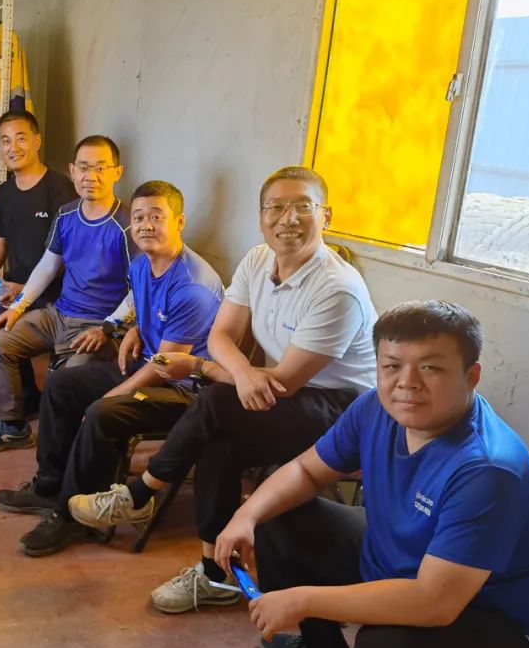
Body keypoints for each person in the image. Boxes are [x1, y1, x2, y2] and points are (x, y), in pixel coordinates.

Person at [215, 300, 529, 648]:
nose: (406, 383)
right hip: (408, 567)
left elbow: (435, 602)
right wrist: (245, 517)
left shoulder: (487, 469)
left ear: (472, 376)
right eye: (391, 366)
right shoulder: (375, 408)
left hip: (501, 621)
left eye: (430, 368)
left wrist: (303, 599)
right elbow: (306, 470)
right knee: (277, 515)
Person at [68, 166, 377, 612]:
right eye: (275, 207)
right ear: (261, 216)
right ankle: (214, 574)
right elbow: (221, 335)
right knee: (220, 439)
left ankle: (140, 494)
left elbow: (285, 382)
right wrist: (243, 372)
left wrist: (205, 369)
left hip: (343, 413)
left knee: (215, 402)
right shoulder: (257, 260)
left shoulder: (337, 289)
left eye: (302, 206)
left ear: (325, 216)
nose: (287, 218)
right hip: (280, 390)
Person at [0, 181, 225, 556]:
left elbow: (168, 366)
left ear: (179, 221)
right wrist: (133, 329)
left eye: (156, 216)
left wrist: (116, 391)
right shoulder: (142, 264)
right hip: (149, 363)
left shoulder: (192, 286)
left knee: (104, 410)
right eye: (139, 217)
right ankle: (49, 486)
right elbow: (144, 306)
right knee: (62, 384)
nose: (146, 225)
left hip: (185, 390)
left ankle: (72, 515)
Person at [0, 135, 133, 454]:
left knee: (69, 379)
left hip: (98, 326)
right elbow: (47, 266)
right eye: (84, 167)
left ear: (117, 172)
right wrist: (18, 308)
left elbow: (140, 292)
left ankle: (68, 450)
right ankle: (10, 427)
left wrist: (108, 327)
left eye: (100, 168)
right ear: (72, 171)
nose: (91, 176)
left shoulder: (127, 225)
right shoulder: (66, 214)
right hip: (59, 314)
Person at [0, 109, 77, 418]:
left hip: (53, 291)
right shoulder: (4, 193)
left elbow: (68, 255)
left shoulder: (59, 189)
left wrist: (23, 289)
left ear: (37, 141)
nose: (13, 147)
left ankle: (24, 397)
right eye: (5, 141)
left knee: (2, 322)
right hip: (11, 286)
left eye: (21, 138)